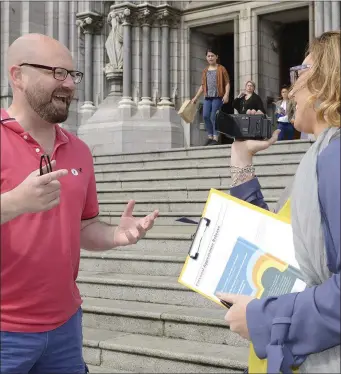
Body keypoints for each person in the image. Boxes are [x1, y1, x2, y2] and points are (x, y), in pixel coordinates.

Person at [0, 33, 159, 374]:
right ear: (18, 75)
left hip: (65, 328)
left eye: (73, 75)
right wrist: (13, 202)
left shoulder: (79, 150)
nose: (70, 84)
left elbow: (85, 227)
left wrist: (115, 235)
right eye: (57, 73)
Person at [218, 30, 340, 373]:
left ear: (327, 80)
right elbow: (278, 246)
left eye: (299, 73)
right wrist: (241, 162)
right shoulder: (320, 154)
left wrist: (264, 317)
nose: (294, 87)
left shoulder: (334, 157)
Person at [191, 48, 230, 146]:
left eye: (212, 56)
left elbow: (227, 83)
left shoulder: (221, 68)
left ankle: (215, 137)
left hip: (218, 96)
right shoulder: (205, 71)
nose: (210, 57)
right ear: (206, 58)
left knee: (213, 116)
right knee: (205, 115)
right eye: (208, 56)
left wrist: (226, 94)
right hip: (208, 97)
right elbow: (202, 86)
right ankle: (210, 137)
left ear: (216, 57)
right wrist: (196, 97)